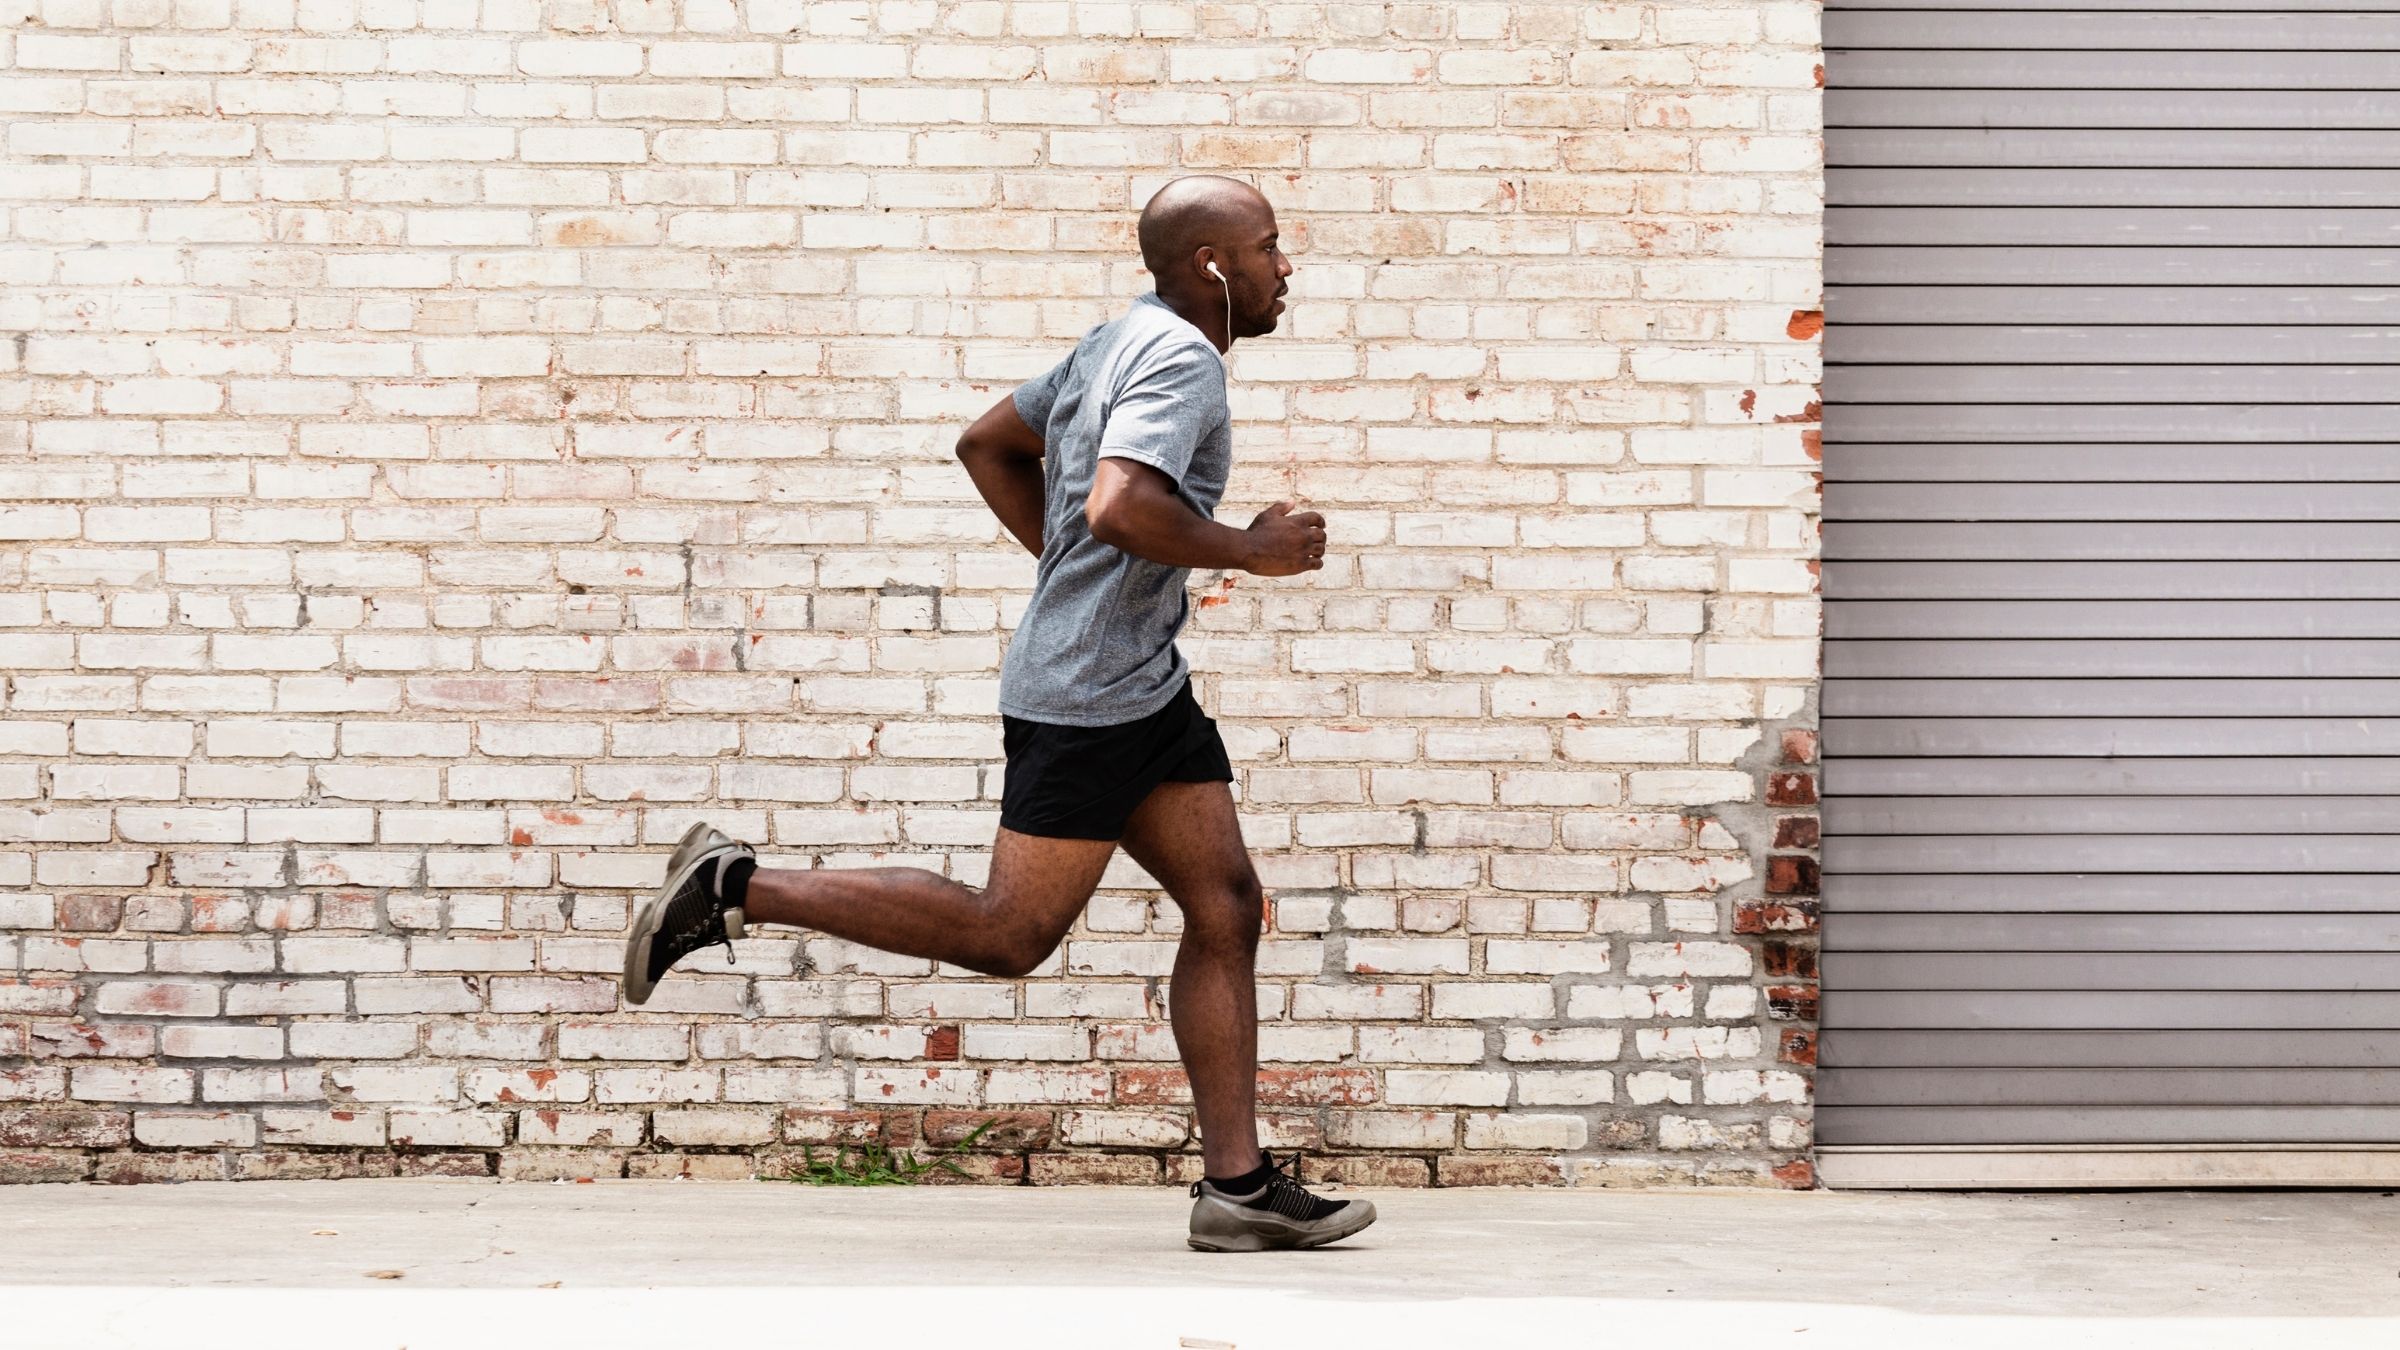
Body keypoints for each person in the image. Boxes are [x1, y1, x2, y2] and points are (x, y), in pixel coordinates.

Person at [618, 175, 1376, 1252]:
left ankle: (1238, 1188)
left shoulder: (1116, 338)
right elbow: (1120, 506)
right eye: (1269, 245)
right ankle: (736, 886)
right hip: (1091, 700)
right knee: (1010, 935)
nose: (1284, 266)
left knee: (1227, 902)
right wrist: (1247, 552)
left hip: (1136, 682)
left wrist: (1077, 586)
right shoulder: (1178, 362)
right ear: (1213, 264)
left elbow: (989, 444)